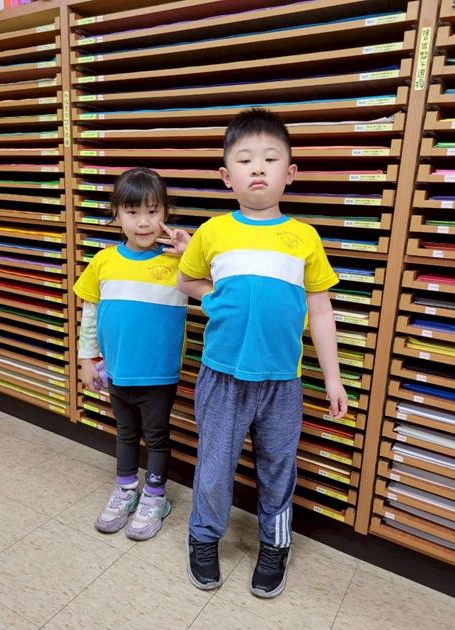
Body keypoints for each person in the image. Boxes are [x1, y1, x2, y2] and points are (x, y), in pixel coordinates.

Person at [177, 108, 348, 597]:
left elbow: (320, 310)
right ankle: (203, 536)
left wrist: (333, 378)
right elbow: (186, 279)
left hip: (282, 382)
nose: (258, 168)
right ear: (226, 176)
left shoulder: (304, 238)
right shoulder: (213, 232)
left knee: (278, 468)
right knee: (214, 467)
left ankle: (275, 544)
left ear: (289, 173)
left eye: (270, 159)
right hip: (222, 377)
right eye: (245, 159)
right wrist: (213, 297)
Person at [74, 167, 190, 540]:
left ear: (166, 214)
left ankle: (155, 496)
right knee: (125, 433)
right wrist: (86, 358)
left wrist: (190, 253)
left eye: (153, 212)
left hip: (159, 374)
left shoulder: (179, 263)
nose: (143, 222)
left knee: (156, 436)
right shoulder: (103, 261)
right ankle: (125, 490)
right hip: (117, 370)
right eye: (132, 211)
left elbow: (220, 289)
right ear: (116, 213)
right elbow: (90, 314)